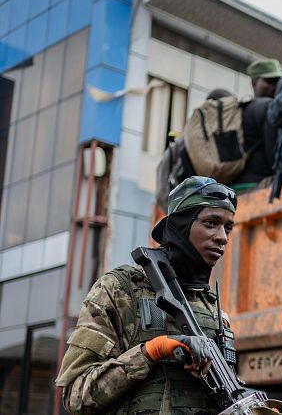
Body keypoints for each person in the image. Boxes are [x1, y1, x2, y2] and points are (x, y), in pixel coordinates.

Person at [56, 177, 239, 413]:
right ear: (181, 226)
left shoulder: (213, 310)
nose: (222, 237)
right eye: (211, 223)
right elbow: (75, 396)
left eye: (228, 228)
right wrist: (152, 351)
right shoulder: (120, 289)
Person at [230, 59, 282, 192]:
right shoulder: (266, 106)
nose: (274, 87)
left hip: (232, 188)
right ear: (254, 83)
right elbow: (273, 152)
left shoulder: (241, 109)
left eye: (277, 82)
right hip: (256, 186)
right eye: (269, 81)